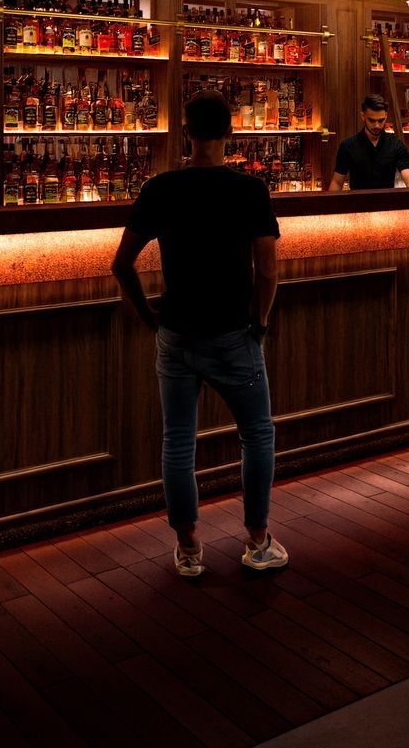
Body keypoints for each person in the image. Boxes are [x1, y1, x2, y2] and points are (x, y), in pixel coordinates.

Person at [111, 90, 286, 578]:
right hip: (233, 331)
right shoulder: (249, 189)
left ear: (184, 131)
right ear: (230, 133)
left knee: (178, 442)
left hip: (177, 334)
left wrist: (150, 318)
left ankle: (189, 549)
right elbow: (268, 269)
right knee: (256, 435)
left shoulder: (159, 188)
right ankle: (257, 541)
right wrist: (261, 322)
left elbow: (121, 265)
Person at [330, 94, 409, 190]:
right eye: (372, 120)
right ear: (363, 116)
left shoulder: (396, 145)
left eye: (381, 120)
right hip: (357, 203)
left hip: (387, 203)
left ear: (386, 116)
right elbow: (337, 182)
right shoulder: (348, 146)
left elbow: (408, 177)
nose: (377, 125)